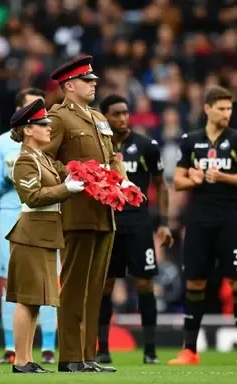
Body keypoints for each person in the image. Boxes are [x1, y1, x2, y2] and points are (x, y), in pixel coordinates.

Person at [43, 55, 123, 373]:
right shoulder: (57, 117)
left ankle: (87, 355)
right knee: (75, 285)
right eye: (88, 81)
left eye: (93, 81)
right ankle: (70, 357)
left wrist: (122, 181)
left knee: (95, 288)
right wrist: (73, 175)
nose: (93, 85)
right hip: (77, 211)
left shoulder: (98, 117)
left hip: (105, 212)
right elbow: (43, 158)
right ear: (70, 85)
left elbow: (113, 156)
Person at [170, 86, 237, 366]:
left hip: (229, 220)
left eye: (229, 109)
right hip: (198, 221)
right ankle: (189, 350)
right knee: (195, 282)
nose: (226, 113)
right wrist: (192, 180)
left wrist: (222, 176)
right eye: (221, 108)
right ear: (207, 109)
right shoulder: (191, 141)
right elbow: (178, 180)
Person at [6, 98, 85, 373]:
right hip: (30, 234)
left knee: (36, 301)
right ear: (28, 130)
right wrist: (67, 189)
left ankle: (26, 359)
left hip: (44, 235)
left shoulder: (44, 159)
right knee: (27, 299)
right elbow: (33, 196)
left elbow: (69, 172)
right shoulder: (25, 160)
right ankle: (21, 360)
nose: (48, 127)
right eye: (42, 124)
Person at [96, 95, 173, 364]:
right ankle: (102, 348)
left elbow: (162, 185)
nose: (122, 118)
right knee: (104, 285)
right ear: (103, 115)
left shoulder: (146, 146)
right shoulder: (96, 147)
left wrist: (163, 223)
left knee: (144, 282)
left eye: (125, 113)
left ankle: (150, 350)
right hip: (108, 223)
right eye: (116, 114)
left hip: (139, 223)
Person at [0, 88, 58, 365]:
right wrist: (8, 178)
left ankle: (47, 347)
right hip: (14, 214)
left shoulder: (45, 146)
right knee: (17, 287)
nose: (44, 122)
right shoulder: (3, 144)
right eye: (34, 114)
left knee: (46, 284)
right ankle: (13, 350)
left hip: (43, 218)